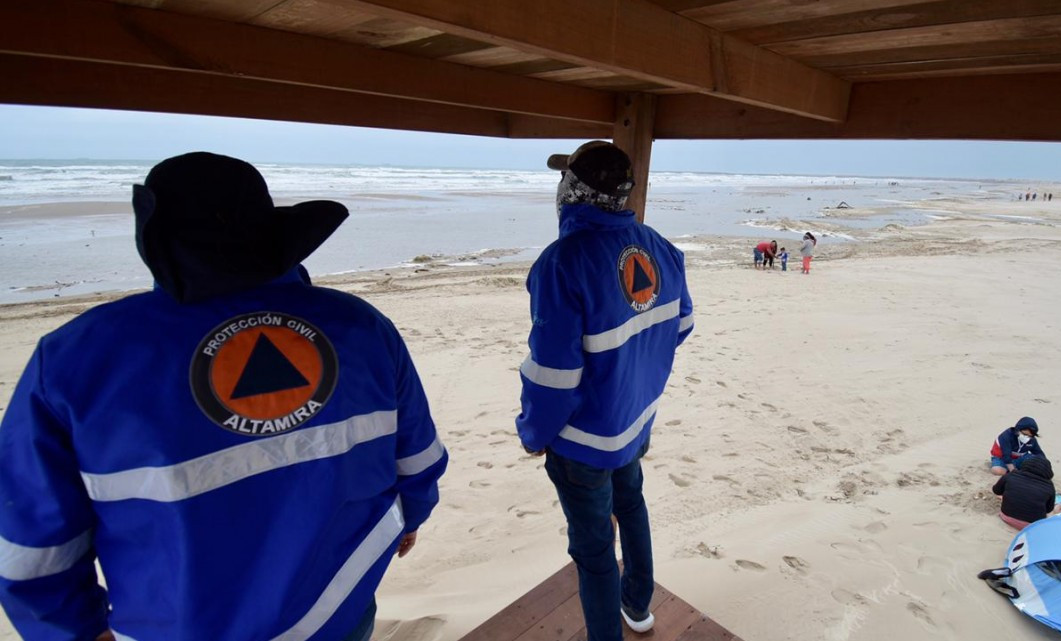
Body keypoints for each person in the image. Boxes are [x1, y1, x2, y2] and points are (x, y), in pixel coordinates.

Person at [0, 153, 448, 641]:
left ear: (153, 237)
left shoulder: (76, 358)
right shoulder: (361, 327)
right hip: (337, 610)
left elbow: (30, 547)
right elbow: (418, 458)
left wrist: (72, 630)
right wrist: (412, 515)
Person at [517, 141, 693, 641]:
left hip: (584, 442)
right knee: (632, 505)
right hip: (636, 421)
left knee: (594, 550)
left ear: (573, 191)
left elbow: (553, 375)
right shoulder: (659, 245)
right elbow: (680, 325)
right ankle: (638, 606)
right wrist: (633, 374)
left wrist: (533, 433)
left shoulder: (561, 262)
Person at [992, 456, 1055, 530]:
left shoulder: (1012, 475)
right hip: (1032, 525)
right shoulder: (1049, 485)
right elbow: (1049, 509)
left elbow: (996, 490)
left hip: (1006, 517)